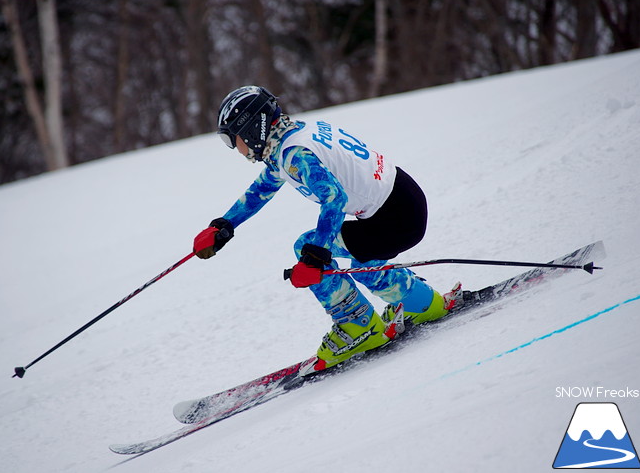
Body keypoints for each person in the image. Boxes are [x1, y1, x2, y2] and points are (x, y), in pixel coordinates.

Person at [193, 85, 461, 375]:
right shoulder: (292, 136)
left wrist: (316, 256)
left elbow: (335, 198)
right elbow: (263, 189)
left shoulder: (294, 154)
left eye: (232, 139)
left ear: (251, 128)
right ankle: (422, 303)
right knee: (363, 259)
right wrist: (224, 225)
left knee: (306, 246)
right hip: (404, 199)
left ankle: (358, 327)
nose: (236, 148)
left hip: (395, 217)